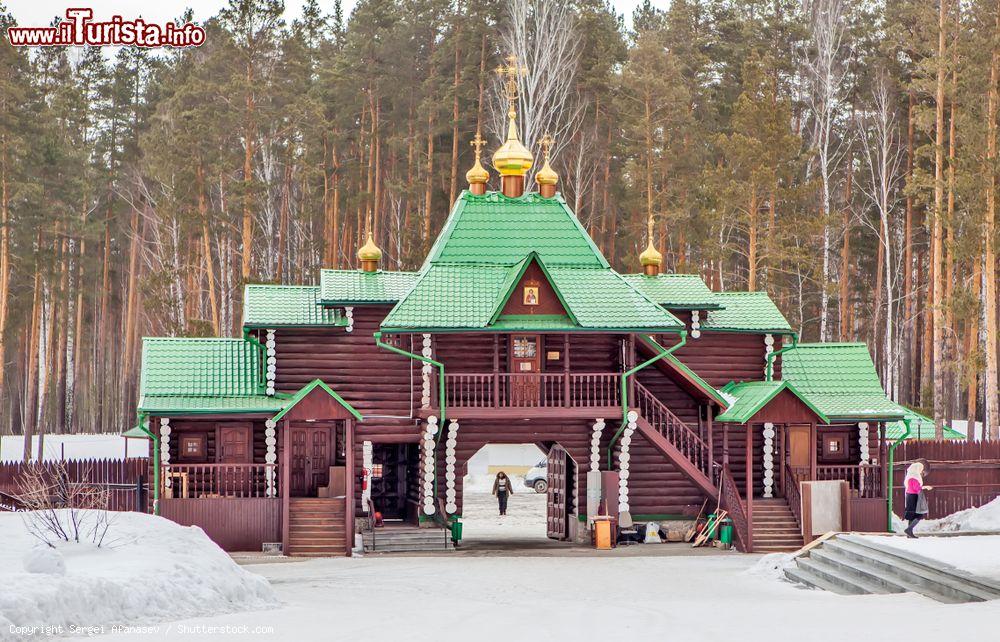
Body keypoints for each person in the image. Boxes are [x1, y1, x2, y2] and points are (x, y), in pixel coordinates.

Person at [903, 460, 932, 538]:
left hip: (909, 496)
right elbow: (917, 488)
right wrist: (926, 487)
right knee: (919, 515)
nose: (921, 470)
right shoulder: (914, 477)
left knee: (911, 515)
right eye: (920, 468)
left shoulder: (909, 476)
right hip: (914, 497)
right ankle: (909, 530)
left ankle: (909, 533)